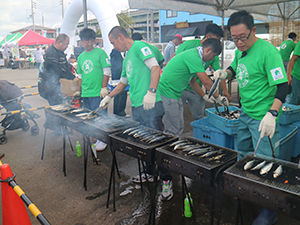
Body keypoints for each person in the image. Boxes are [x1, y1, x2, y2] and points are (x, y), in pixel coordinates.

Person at [215, 10, 289, 225]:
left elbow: (282, 86)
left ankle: (269, 210)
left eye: (242, 37)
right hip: (245, 112)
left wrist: (272, 113)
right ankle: (245, 189)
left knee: (267, 164)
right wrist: (225, 74)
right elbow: (236, 68)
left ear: (253, 30)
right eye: (233, 38)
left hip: (262, 117)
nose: (238, 43)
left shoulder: (268, 53)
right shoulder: (241, 50)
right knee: (243, 155)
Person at [100, 26, 172, 201]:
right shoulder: (127, 58)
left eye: (113, 43)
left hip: (151, 104)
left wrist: (152, 91)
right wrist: (109, 97)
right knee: (143, 144)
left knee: (157, 144)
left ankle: (167, 180)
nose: (113, 47)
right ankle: (149, 173)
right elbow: (123, 83)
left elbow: (155, 67)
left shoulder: (139, 47)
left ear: (120, 36)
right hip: (138, 107)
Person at [159, 38, 229, 136]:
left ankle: (172, 145)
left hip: (175, 92)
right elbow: (206, 81)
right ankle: (166, 147)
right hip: (168, 91)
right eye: (213, 56)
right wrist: (218, 97)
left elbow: (192, 80)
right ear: (208, 50)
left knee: (179, 125)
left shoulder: (195, 55)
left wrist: (204, 96)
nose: (212, 59)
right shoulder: (194, 57)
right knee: (173, 128)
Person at [175, 24, 231, 120]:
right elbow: (174, 62)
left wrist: (225, 91)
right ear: (208, 37)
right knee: (176, 116)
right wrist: (217, 97)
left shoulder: (214, 53)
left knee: (200, 116)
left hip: (196, 88)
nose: (218, 43)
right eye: (216, 40)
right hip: (180, 87)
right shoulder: (188, 46)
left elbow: (219, 74)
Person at [76, 28, 111, 152]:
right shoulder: (80, 57)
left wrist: (104, 88)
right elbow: (80, 76)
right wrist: (78, 91)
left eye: (89, 40)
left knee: (101, 117)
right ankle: (94, 137)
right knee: (90, 117)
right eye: (84, 41)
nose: (86, 43)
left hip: (98, 93)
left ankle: (103, 139)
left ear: (93, 40)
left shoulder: (101, 53)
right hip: (86, 93)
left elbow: (106, 71)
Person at [41, 33, 75, 106]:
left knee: (62, 105)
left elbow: (65, 66)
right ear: (59, 42)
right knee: (57, 107)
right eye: (66, 44)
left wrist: (71, 67)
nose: (67, 46)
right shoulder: (51, 53)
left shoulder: (61, 52)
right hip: (51, 88)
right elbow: (59, 70)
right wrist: (72, 77)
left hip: (59, 86)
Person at [110, 48, 127, 116]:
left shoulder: (114, 54)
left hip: (116, 78)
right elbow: (118, 67)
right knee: (121, 95)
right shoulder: (117, 54)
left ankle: (116, 112)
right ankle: (120, 113)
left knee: (117, 95)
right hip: (120, 78)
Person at [285, 37, 300, 105]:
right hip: (297, 76)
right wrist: (289, 75)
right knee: (293, 100)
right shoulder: (298, 44)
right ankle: (288, 114)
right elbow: (293, 59)